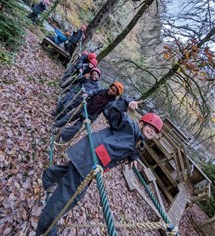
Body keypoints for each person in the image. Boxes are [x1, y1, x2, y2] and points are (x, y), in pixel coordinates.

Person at [35, 103, 163, 235]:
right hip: (89, 158)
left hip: (88, 158)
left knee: (69, 175)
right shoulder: (128, 125)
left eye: (155, 130)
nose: (152, 131)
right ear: (142, 123)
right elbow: (112, 111)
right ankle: (46, 229)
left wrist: (134, 157)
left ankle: (47, 177)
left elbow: (133, 147)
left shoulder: (137, 139)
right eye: (150, 126)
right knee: (70, 196)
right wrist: (126, 102)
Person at [53, 82, 137, 143]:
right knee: (70, 117)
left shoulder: (112, 102)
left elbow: (108, 111)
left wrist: (109, 116)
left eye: (113, 91)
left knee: (77, 127)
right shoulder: (102, 90)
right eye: (111, 88)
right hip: (84, 107)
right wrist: (87, 94)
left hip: (90, 115)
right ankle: (56, 125)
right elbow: (93, 91)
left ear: (116, 94)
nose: (110, 91)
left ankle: (61, 134)